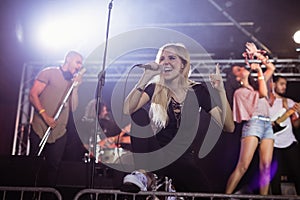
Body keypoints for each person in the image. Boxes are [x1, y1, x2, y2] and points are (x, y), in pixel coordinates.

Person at [123, 43, 235, 192]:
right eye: (162, 58)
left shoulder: (197, 91)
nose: (165, 62)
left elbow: (229, 127)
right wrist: (145, 78)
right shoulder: (155, 88)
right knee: (138, 113)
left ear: (183, 64)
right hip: (156, 155)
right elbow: (127, 110)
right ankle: (143, 174)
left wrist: (220, 91)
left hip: (183, 159)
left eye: (171, 58)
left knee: (204, 193)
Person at [225, 42, 275, 195]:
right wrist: (259, 69)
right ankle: (225, 196)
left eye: (241, 67)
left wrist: (256, 55)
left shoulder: (257, 81)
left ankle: (264, 198)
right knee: (243, 165)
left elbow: (271, 68)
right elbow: (262, 93)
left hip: (267, 124)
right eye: (238, 70)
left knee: (266, 166)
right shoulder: (240, 92)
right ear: (237, 78)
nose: (243, 69)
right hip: (253, 123)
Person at [29, 51, 84, 186]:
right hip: (40, 127)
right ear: (68, 59)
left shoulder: (72, 82)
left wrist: (75, 89)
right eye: (78, 62)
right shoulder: (49, 73)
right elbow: (33, 95)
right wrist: (45, 115)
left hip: (59, 132)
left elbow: (74, 108)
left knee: (53, 169)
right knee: (34, 166)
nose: (79, 66)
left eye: (81, 64)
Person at [269, 75, 300, 195]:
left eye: (285, 85)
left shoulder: (289, 102)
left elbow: (296, 125)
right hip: (273, 144)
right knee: (274, 177)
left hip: (289, 142)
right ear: (273, 84)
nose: (284, 87)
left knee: (297, 172)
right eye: (282, 84)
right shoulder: (266, 102)